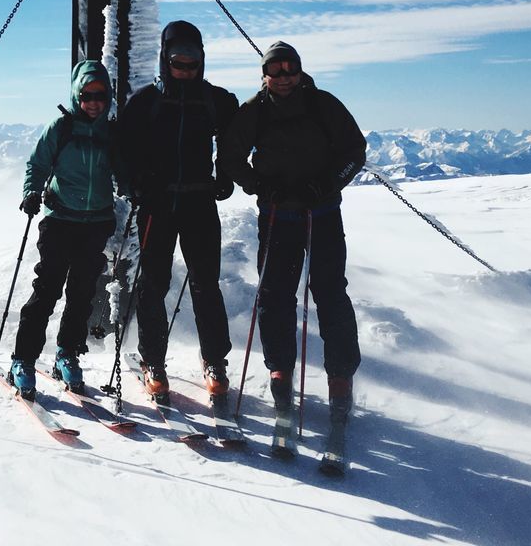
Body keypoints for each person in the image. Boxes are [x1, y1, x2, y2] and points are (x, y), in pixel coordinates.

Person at [220, 40, 366, 422]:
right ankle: (280, 371)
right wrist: (260, 186)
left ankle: (340, 377)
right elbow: (230, 157)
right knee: (275, 295)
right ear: (264, 75)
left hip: (322, 214)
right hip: (277, 216)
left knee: (330, 293)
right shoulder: (254, 111)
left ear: (300, 71)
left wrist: (326, 185)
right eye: (276, 70)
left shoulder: (323, 104)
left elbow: (355, 151)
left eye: (291, 69)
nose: (284, 77)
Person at [118, 21, 239, 402]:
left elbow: (235, 139)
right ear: (164, 59)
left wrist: (225, 173)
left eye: (192, 62)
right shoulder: (145, 102)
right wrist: (135, 184)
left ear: (202, 61)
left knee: (206, 283)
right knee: (153, 284)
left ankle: (214, 361)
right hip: (157, 204)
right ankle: (152, 361)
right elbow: (122, 149)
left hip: (199, 202)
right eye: (177, 62)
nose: (184, 69)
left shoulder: (214, 100)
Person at [9, 60, 122, 398]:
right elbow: (37, 163)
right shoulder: (61, 127)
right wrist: (31, 192)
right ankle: (23, 360)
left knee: (81, 295)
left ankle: (67, 354)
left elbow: (123, 170)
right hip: (59, 220)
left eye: (99, 96)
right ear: (77, 95)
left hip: (96, 222)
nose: (93, 102)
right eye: (86, 95)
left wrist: (135, 188)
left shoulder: (110, 133)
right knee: (47, 290)